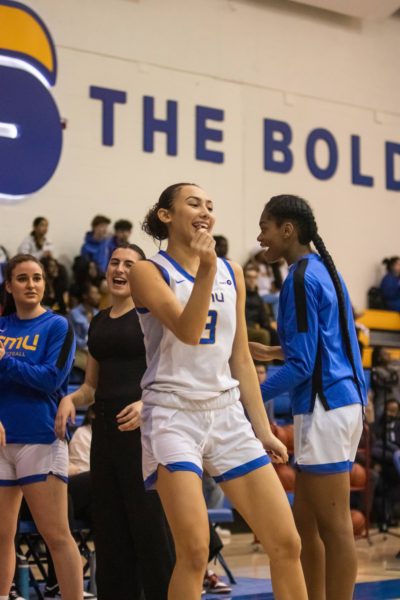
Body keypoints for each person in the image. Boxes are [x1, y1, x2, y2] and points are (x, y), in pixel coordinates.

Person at [128, 182, 307, 600]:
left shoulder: (230, 270)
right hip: (173, 415)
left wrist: (262, 430)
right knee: (193, 552)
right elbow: (189, 331)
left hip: (226, 413)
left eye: (210, 205)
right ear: (166, 216)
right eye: (193, 203)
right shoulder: (148, 272)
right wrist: (206, 268)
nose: (205, 210)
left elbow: (240, 357)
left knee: (286, 543)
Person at [251, 194, 366, 600]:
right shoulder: (322, 271)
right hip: (341, 402)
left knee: (335, 528)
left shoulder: (299, 279)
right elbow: (331, 345)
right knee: (305, 524)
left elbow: (303, 367)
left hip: (324, 408)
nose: (259, 236)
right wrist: (269, 352)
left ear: (288, 229)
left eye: (265, 226)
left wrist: (249, 400)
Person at [55, 243, 174, 600]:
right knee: (110, 533)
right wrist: (69, 398)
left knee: (150, 530)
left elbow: (171, 374)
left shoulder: (154, 315)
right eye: (115, 263)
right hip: (105, 436)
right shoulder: (99, 321)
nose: (120, 270)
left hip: (145, 435)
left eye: (129, 264)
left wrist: (145, 403)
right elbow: (91, 386)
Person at [0, 254, 82, 600]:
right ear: (9, 285)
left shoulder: (57, 326)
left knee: (56, 534)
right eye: (22, 278)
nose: (30, 285)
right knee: (2, 534)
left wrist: (5, 361)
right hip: (3, 441)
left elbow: (51, 379)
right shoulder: (2, 327)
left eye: (36, 278)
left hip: (40, 438)